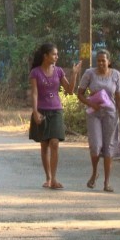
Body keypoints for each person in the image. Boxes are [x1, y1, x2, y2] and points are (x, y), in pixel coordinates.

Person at [29, 43, 81, 189]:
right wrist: (35, 111)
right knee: (44, 145)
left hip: (56, 110)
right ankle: (48, 178)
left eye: (57, 54)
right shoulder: (35, 73)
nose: (56, 57)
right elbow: (34, 93)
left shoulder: (58, 71)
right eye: (54, 54)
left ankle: (54, 179)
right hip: (41, 110)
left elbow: (69, 90)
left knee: (55, 143)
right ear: (45, 56)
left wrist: (74, 74)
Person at [76, 49, 120, 193]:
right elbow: (80, 94)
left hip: (110, 114)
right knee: (96, 145)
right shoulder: (89, 73)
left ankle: (107, 182)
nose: (100, 63)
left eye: (103, 61)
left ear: (108, 62)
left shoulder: (116, 75)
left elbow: (119, 98)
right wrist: (91, 104)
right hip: (94, 114)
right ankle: (94, 173)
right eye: (98, 61)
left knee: (108, 147)